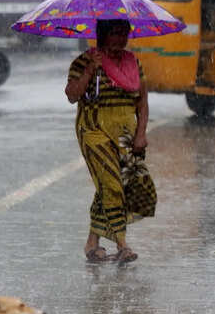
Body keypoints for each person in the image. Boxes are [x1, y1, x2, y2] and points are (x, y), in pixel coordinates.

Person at [65, 19, 157, 263]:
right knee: (112, 185)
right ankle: (122, 244)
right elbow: (73, 96)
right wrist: (89, 71)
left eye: (124, 34)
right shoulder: (84, 61)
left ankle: (92, 242)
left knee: (123, 185)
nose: (120, 39)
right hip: (94, 131)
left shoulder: (133, 62)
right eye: (115, 33)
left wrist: (141, 133)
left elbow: (142, 102)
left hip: (126, 134)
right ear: (103, 35)